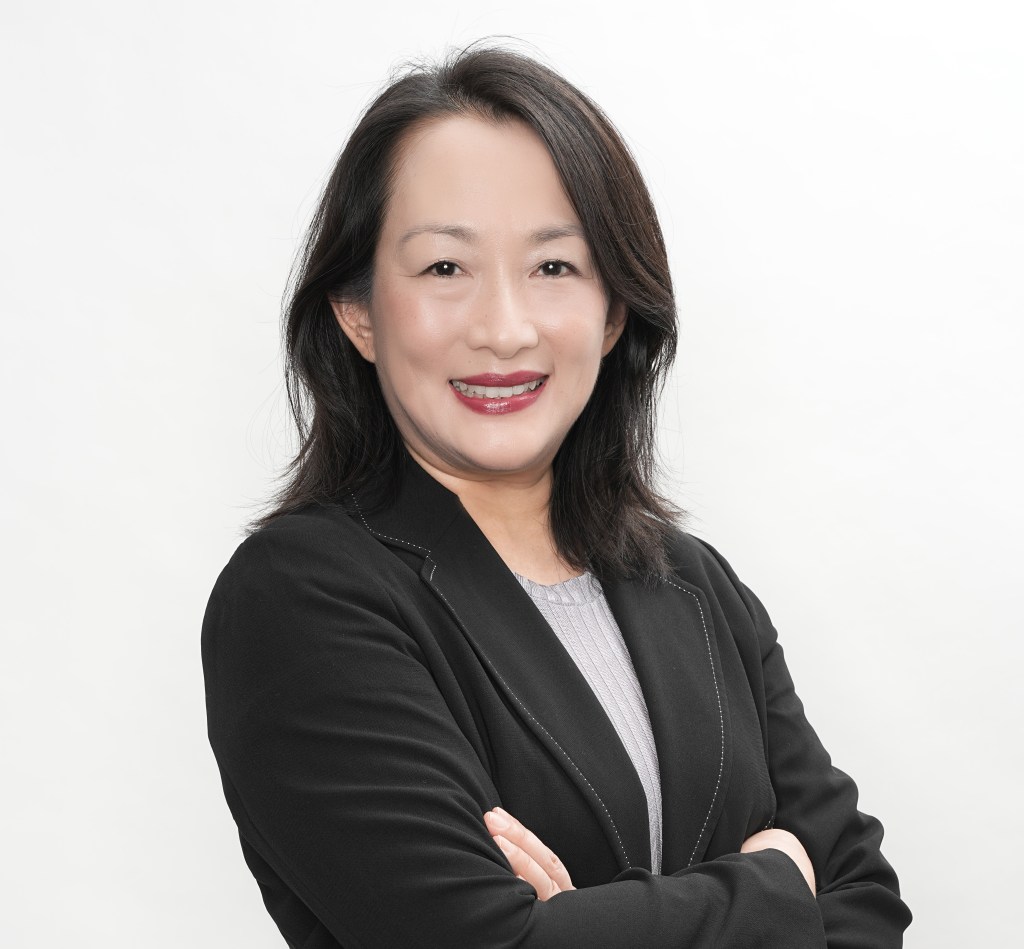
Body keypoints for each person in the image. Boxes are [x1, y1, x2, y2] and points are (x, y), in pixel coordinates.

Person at [202, 46, 911, 948]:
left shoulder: (696, 585)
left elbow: (865, 902)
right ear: (358, 312)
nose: (504, 329)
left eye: (553, 267)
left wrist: (578, 919)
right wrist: (777, 884)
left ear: (613, 312)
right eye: (444, 268)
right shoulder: (300, 597)